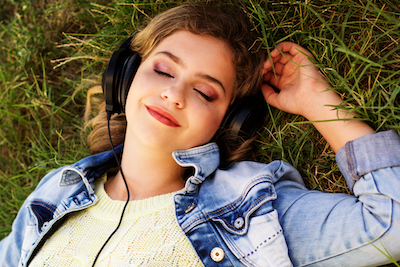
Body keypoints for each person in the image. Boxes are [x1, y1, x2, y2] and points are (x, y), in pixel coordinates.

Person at [1, 2, 400, 267]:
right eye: (163, 69)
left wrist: (319, 105)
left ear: (228, 122)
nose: (173, 95)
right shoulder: (56, 193)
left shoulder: (251, 210)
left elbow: (392, 222)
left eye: (204, 91)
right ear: (124, 77)